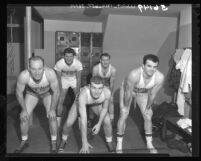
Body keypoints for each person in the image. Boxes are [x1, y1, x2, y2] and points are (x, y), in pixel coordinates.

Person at [116, 54, 164, 154]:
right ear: (143, 66)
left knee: (148, 116)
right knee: (123, 114)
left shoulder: (159, 77)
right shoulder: (134, 74)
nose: (152, 69)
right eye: (149, 66)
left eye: (155, 67)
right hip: (127, 91)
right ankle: (119, 144)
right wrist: (125, 106)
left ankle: (149, 144)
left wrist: (148, 108)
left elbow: (152, 94)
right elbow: (128, 93)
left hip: (142, 93)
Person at [57, 76, 114, 153]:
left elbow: (104, 109)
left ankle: (109, 142)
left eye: (100, 88)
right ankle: (64, 140)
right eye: (94, 87)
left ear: (103, 87)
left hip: (96, 103)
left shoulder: (107, 92)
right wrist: (84, 143)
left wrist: (99, 124)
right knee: (69, 123)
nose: (96, 91)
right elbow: (83, 120)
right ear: (89, 86)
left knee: (107, 120)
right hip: (81, 102)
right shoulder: (83, 95)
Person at [15, 56, 60, 153]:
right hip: (32, 93)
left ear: (44, 67)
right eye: (33, 69)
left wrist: (52, 109)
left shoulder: (50, 73)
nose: (37, 72)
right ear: (28, 68)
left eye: (40, 68)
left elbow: (56, 92)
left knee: (52, 116)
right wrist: (23, 110)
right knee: (24, 116)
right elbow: (19, 93)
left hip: (48, 93)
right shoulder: (23, 76)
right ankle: (24, 141)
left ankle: (54, 141)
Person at [54, 47, 83, 128]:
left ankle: (80, 119)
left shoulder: (78, 64)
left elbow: (79, 78)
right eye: (67, 56)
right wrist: (60, 90)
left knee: (79, 99)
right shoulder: (59, 64)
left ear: (74, 56)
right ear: (64, 56)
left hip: (74, 79)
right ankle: (58, 120)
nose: (68, 58)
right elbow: (58, 78)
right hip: (64, 80)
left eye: (70, 56)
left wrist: (78, 92)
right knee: (60, 99)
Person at [91, 53, 117, 126]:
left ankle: (112, 119)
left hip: (106, 86)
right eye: (103, 60)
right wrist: (95, 93)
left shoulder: (113, 70)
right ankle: (91, 118)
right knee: (92, 100)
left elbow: (112, 83)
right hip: (96, 85)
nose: (105, 62)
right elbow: (93, 81)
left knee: (111, 100)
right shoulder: (96, 68)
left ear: (109, 60)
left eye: (107, 60)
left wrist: (110, 94)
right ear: (100, 60)